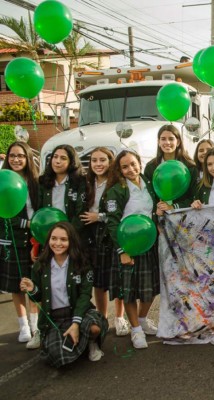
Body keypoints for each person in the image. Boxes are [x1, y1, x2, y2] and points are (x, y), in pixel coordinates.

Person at [19, 222, 108, 367]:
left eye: (63, 239)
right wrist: (32, 289)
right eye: (53, 239)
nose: (57, 243)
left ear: (71, 241)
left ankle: (91, 342)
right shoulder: (39, 265)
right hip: (55, 317)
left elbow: (85, 296)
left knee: (94, 328)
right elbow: (38, 298)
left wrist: (75, 324)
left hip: (79, 312)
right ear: (48, 240)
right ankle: (79, 345)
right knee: (59, 357)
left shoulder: (82, 264)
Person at [105, 150, 160, 349]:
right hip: (127, 245)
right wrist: (122, 251)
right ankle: (136, 330)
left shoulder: (149, 183)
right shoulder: (116, 190)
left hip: (149, 243)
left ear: (139, 163)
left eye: (133, 164)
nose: (131, 169)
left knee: (152, 288)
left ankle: (143, 319)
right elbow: (111, 223)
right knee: (129, 291)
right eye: (125, 166)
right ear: (119, 170)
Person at [78, 148, 129, 337]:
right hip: (92, 237)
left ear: (110, 162)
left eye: (102, 160)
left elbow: (121, 213)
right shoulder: (87, 183)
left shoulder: (117, 183)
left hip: (111, 235)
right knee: (99, 281)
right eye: (94, 161)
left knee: (117, 279)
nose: (98, 164)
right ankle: (103, 317)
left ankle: (120, 317)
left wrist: (98, 216)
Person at [1, 142, 40, 348]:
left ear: (27, 159)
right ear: (8, 158)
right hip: (13, 238)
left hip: (34, 238)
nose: (16, 159)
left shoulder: (35, 182)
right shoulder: (2, 181)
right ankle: (23, 324)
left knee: (34, 281)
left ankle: (35, 323)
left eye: (21, 156)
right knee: (17, 284)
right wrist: (26, 223)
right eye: (13, 155)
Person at [145, 125, 198, 209]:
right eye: (163, 139)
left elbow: (194, 196)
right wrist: (157, 208)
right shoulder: (150, 167)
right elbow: (148, 196)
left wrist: (173, 207)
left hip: (184, 216)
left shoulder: (190, 167)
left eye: (171, 139)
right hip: (159, 217)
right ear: (158, 142)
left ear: (178, 142)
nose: (167, 142)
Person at [39, 144, 84, 223]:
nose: (57, 161)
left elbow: (81, 213)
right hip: (49, 230)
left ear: (71, 162)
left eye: (63, 158)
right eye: (55, 157)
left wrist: (68, 232)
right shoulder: (43, 181)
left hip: (71, 231)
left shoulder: (80, 182)